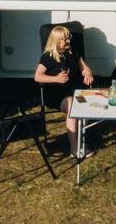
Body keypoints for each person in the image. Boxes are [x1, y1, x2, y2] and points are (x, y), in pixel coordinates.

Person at [34, 25, 94, 158]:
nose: (68, 41)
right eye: (64, 39)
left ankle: (81, 143)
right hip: (56, 94)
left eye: (69, 38)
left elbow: (84, 68)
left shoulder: (74, 52)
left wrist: (87, 73)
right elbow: (37, 76)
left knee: (85, 106)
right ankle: (74, 149)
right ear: (56, 41)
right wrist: (55, 78)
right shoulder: (48, 56)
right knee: (73, 105)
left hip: (75, 91)